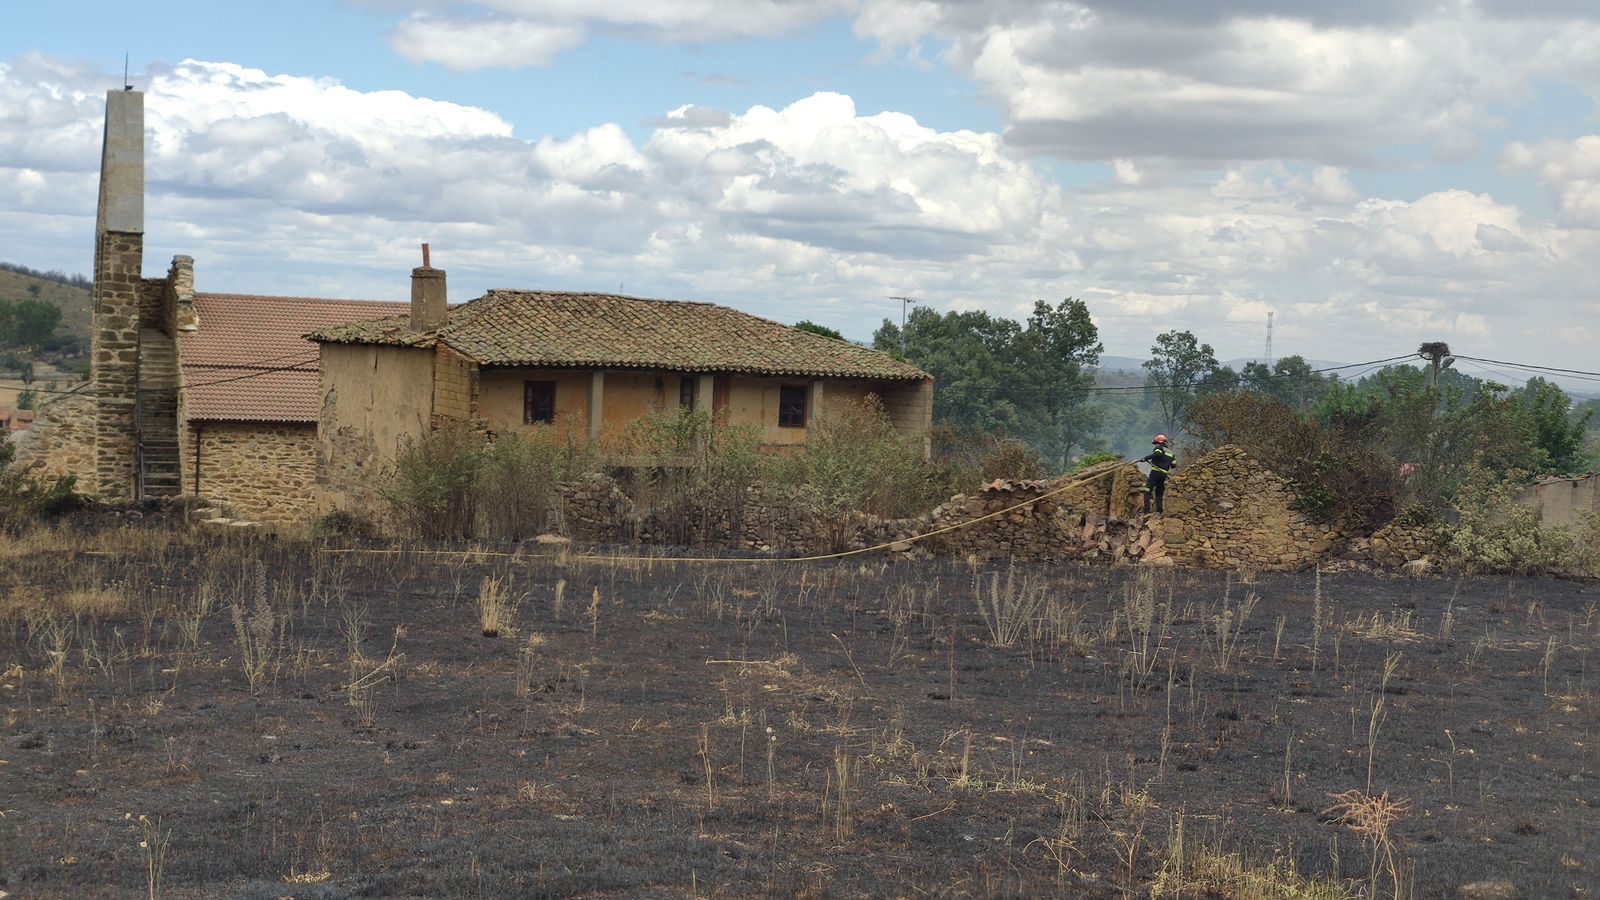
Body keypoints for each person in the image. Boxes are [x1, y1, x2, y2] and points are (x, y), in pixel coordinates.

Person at [1140, 435, 1176, 515]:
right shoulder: (1171, 452)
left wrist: (1145, 458)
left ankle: (1146, 511)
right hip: (1163, 474)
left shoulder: (1159, 448)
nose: (1156, 445)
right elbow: (1174, 465)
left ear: (1159, 442)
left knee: (1147, 490)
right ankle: (1159, 511)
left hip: (1156, 472)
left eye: (1156, 443)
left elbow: (1157, 454)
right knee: (1159, 492)